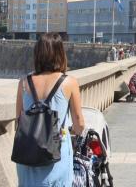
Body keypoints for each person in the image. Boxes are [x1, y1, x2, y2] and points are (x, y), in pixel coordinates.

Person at [15, 33, 85, 186]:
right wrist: (72, 130)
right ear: (60, 53)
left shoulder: (24, 82)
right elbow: (79, 123)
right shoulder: (69, 82)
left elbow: (19, 119)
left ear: (37, 53)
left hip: (28, 152)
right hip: (56, 150)